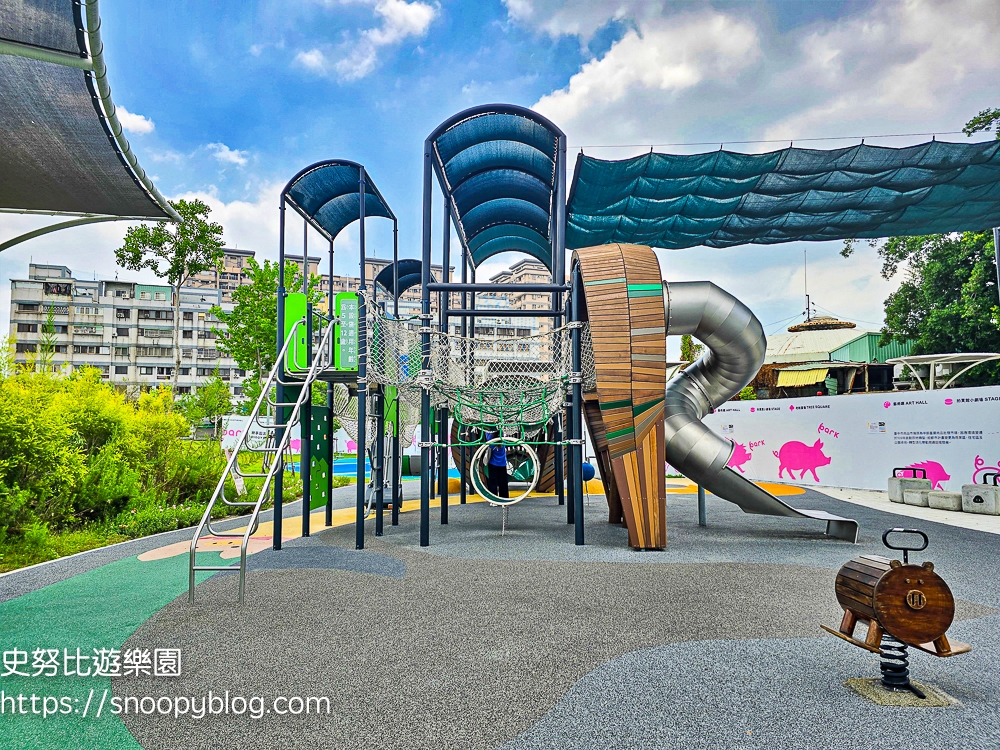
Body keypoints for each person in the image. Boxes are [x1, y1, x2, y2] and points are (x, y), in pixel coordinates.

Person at [483, 429, 509, 499]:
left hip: (493, 463)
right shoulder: (503, 443)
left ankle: (493, 498)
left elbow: (487, 435)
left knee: (492, 482)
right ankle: (504, 498)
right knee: (503, 483)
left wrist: (487, 430)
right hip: (502, 464)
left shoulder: (491, 444)